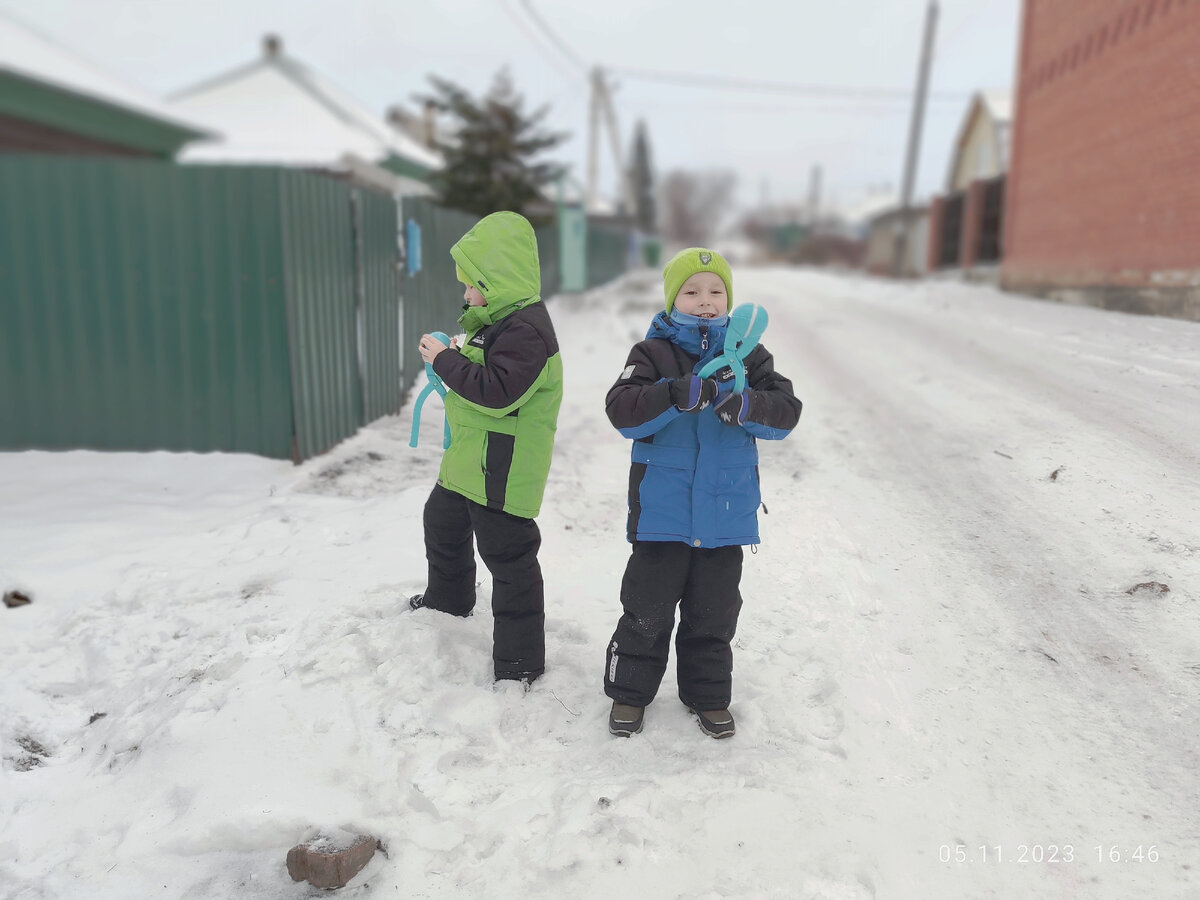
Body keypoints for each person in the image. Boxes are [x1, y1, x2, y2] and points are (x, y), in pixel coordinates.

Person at [603, 247, 802, 738]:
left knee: (713, 615)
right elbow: (623, 410)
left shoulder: (751, 357)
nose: (706, 301)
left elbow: (787, 410)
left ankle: (708, 695)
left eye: (716, 291)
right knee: (646, 609)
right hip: (661, 514)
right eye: (691, 291)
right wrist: (675, 394)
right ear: (673, 300)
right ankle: (629, 694)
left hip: (725, 513)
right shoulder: (651, 353)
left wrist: (747, 404)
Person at [409, 211, 563, 686]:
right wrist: (454, 349)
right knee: (441, 523)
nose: (465, 294)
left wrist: (448, 360)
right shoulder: (497, 322)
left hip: (501, 467)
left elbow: (497, 392)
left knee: (510, 561)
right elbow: (479, 366)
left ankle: (519, 662)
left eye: (472, 284)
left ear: (497, 280)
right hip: (469, 461)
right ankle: (449, 599)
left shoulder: (528, 331)